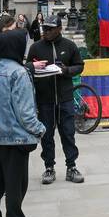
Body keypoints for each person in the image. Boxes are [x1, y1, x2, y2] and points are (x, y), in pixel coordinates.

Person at [0, 29, 46, 217]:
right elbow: (25, 112)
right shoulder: (19, 73)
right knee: (16, 185)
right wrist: (39, 129)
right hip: (15, 138)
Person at [29, 16, 86, 185]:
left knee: (68, 133)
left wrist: (66, 70)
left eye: (49, 29)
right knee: (46, 135)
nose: (45, 32)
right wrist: (35, 68)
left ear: (59, 29)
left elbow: (80, 65)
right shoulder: (36, 47)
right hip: (44, 98)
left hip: (65, 98)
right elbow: (27, 67)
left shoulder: (69, 45)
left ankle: (71, 166)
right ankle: (49, 167)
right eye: (44, 28)